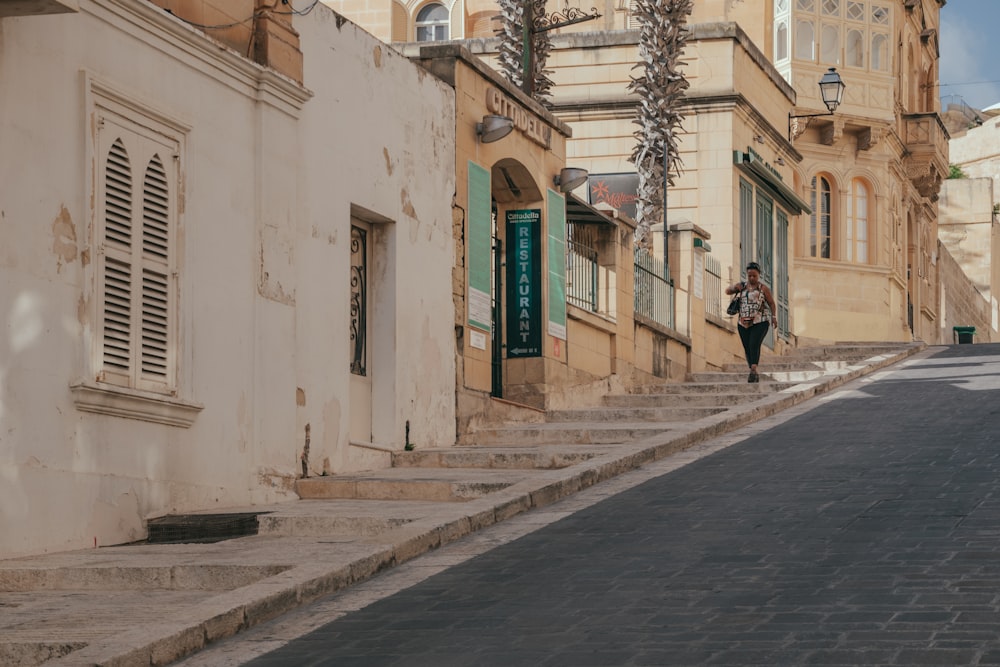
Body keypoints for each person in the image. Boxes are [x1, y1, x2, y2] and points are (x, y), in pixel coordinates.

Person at [725, 261, 778, 383]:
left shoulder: (763, 288)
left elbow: (771, 303)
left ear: (758, 275)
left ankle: (753, 369)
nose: (752, 278)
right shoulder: (742, 286)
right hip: (743, 322)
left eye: (754, 275)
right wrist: (734, 288)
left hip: (760, 321)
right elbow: (727, 291)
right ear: (747, 275)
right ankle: (752, 370)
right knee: (747, 346)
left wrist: (773, 317)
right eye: (750, 275)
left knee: (754, 343)